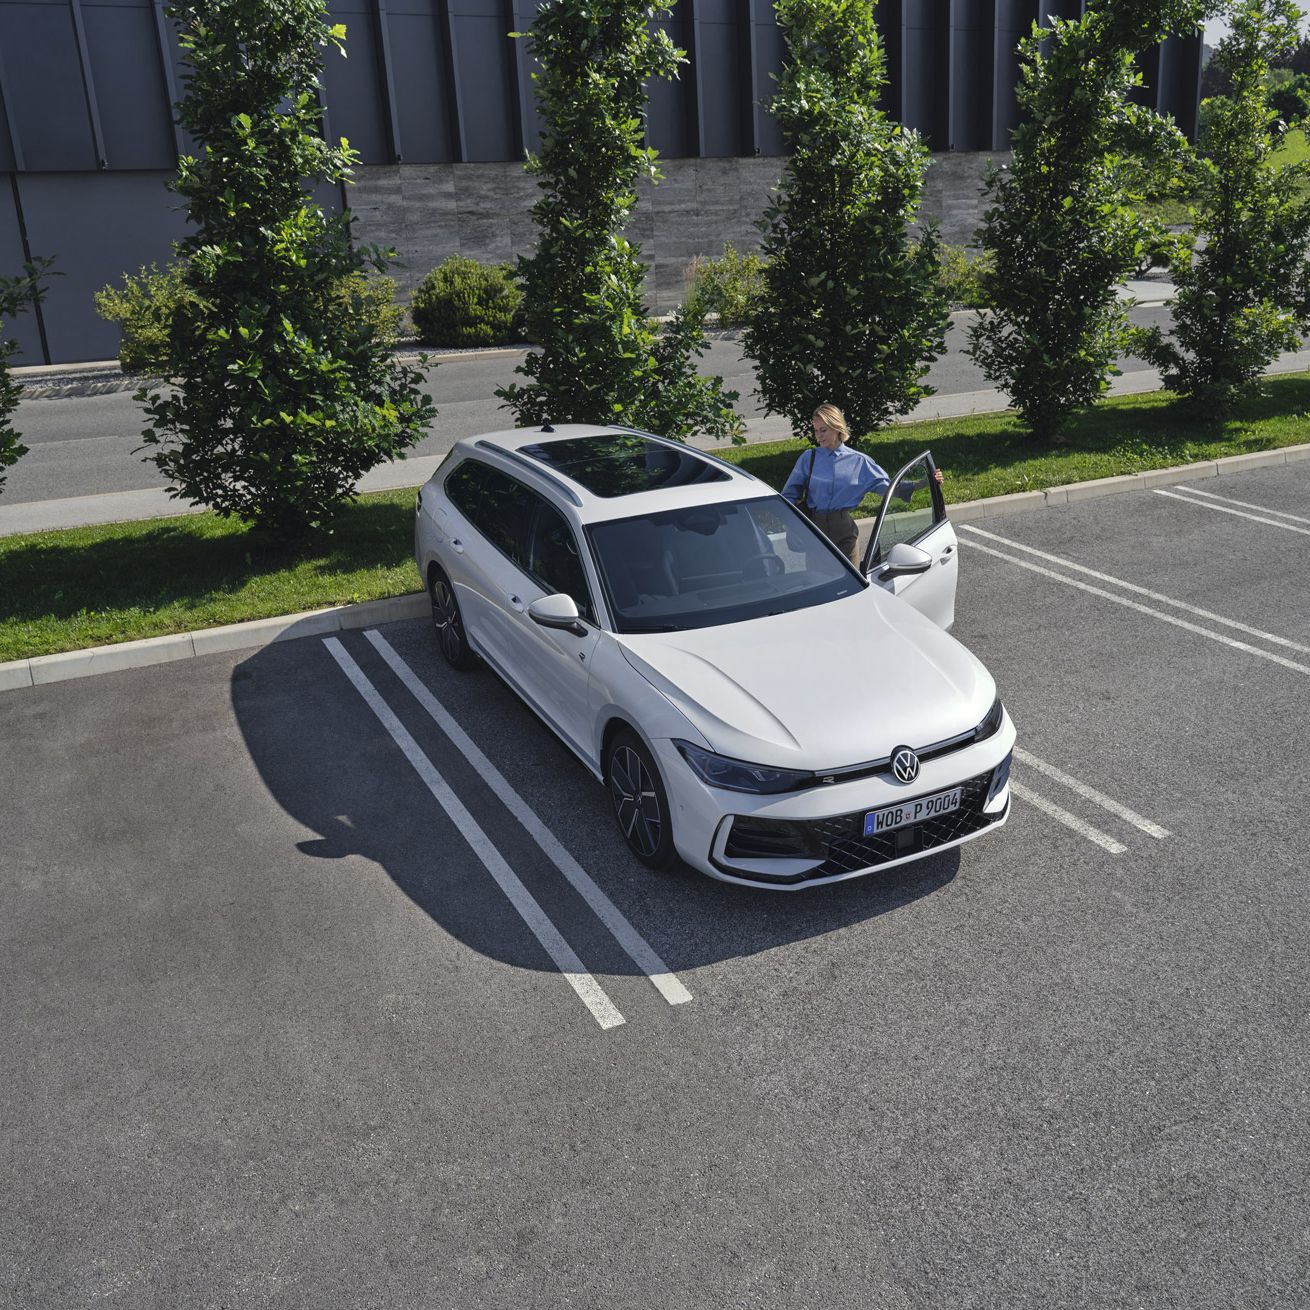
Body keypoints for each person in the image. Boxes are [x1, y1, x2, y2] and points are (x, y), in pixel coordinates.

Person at [780, 403, 944, 569]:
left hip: (845, 533)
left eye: (823, 430)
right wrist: (791, 522)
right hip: (815, 532)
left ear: (837, 428)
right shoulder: (809, 458)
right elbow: (789, 495)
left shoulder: (860, 462)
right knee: (819, 583)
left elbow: (890, 488)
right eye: (816, 430)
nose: (818, 436)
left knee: (851, 585)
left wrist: (926, 481)